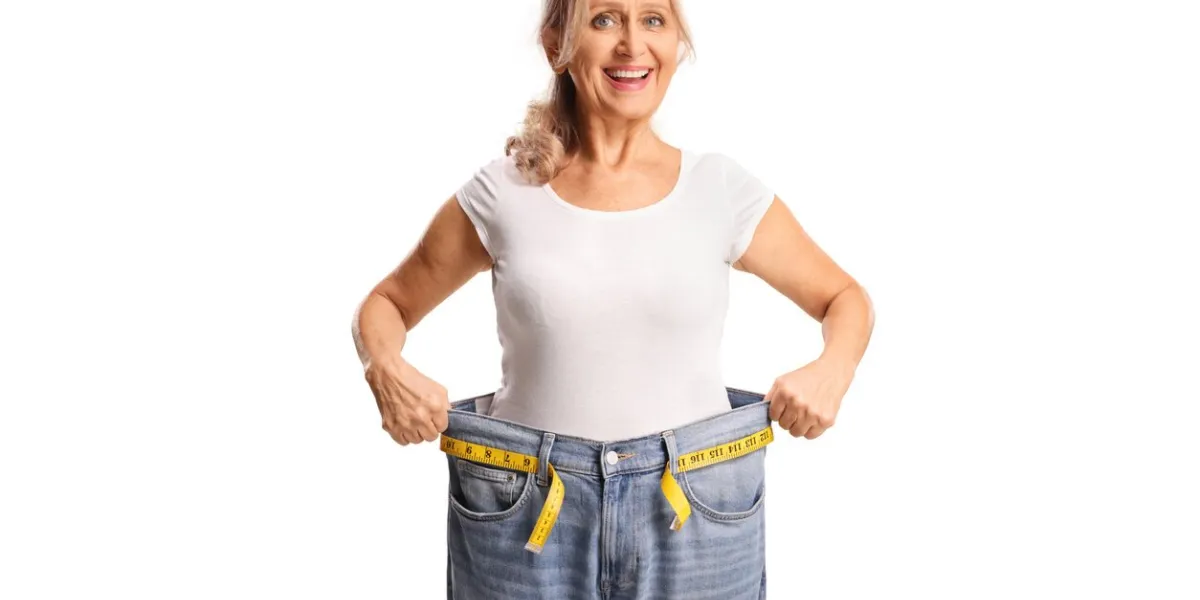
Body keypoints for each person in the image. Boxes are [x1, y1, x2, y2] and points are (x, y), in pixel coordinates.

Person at [351, 0, 874, 597]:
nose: (632, 45)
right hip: (528, 517)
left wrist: (833, 368)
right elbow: (387, 304)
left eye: (654, 19)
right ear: (557, 45)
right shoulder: (503, 193)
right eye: (603, 19)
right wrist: (383, 365)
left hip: (694, 513)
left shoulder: (720, 190)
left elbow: (845, 297)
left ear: (677, 42)